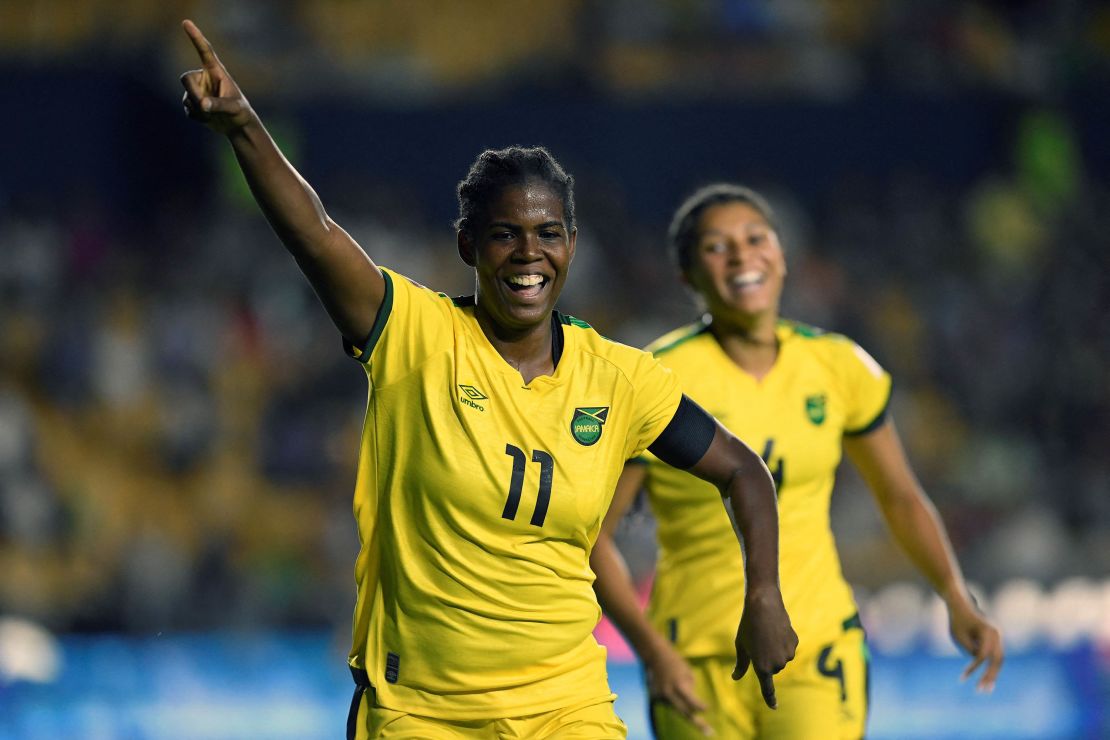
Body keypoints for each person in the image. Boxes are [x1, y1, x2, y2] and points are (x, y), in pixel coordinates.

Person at [179, 21, 797, 739]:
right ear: (468, 243)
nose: (528, 253)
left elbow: (744, 472)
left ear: (571, 245)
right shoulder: (413, 333)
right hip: (422, 710)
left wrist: (765, 596)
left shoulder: (622, 379)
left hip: (567, 707)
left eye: (549, 233)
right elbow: (315, 235)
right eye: (505, 233)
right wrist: (245, 126)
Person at [591, 184, 1005, 738]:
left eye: (756, 238)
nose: (741, 255)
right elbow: (594, 533)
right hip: (694, 659)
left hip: (815, 646)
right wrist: (651, 651)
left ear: (783, 256)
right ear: (687, 276)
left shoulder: (839, 366)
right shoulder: (655, 377)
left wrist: (957, 596)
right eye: (717, 246)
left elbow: (900, 497)